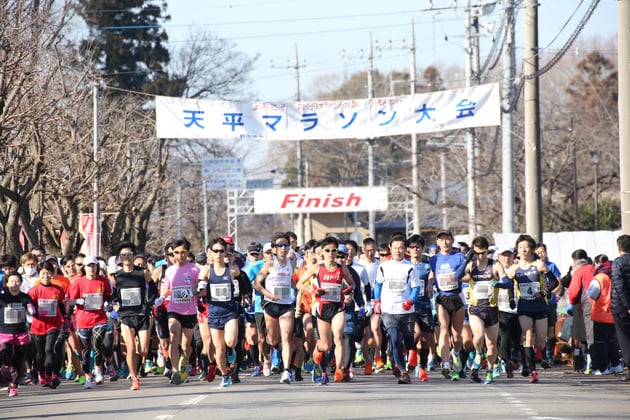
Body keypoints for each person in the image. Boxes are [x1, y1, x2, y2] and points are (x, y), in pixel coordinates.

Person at [297, 236, 355, 384]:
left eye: (333, 250)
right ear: (322, 252)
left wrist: (349, 293)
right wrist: (313, 291)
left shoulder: (342, 268)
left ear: (337, 252)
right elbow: (299, 284)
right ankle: (321, 364)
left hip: (338, 308)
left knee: (338, 337)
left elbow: (352, 284)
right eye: (327, 250)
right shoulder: (317, 268)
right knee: (325, 345)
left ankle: (339, 370)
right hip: (322, 308)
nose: (330, 253)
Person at [506, 234, 558, 383]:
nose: (523, 250)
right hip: (524, 306)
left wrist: (544, 292)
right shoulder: (513, 269)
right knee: (527, 334)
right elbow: (509, 285)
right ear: (517, 249)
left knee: (540, 341)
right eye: (521, 247)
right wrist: (511, 299)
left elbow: (554, 282)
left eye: (526, 247)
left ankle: (542, 350)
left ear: (532, 249)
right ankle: (533, 372)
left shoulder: (539, 265)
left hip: (540, 306)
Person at [373, 234, 419, 384]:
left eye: (400, 248)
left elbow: (416, 288)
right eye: (395, 248)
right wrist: (377, 301)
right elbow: (378, 285)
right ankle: (403, 372)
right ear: (390, 249)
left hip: (406, 311)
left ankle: (412, 353)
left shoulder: (410, 267)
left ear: (405, 249)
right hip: (389, 310)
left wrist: (410, 301)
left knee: (408, 340)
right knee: (394, 339)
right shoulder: (383, 267)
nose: (398, 251)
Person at [462, 236, 510, 384]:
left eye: (483, 253)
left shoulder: (495, 265)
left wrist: (499, 284)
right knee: (478, 335)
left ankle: (489, 371)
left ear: (487, 252)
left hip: (491, 310)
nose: (480, 256)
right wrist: (466, 260)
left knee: (491, 344)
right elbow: (459, 277)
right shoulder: (471, 265)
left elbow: (507, 281)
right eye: (477, 253)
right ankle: (477, 353)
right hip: (476, 309)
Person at [254, 232, 297, 385]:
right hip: (270, 304)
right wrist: (268, 295)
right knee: (273, 339)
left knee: (287, 337)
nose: (284, 248)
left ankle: (286, 371)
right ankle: (274, 351)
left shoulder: (292, 262)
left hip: (286, 305)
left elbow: (292, 282)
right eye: (280, 245)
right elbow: (256, 284)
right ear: (274, 249)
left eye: (286, 245)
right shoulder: (270, 264)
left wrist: (301, 289)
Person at [111, 241, 155, 391]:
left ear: (134, 256)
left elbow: (154, 289)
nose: (127, 257)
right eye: (123, 255)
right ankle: (134, 378)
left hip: (141, 314)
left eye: (129, 254)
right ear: (119, 257)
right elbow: (112, 296)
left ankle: (139, 363)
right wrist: (115, 304)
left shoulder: (142, 273)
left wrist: (149, 303)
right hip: (125, 315)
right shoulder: (116, 276)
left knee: (142, 350)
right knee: (130, 347)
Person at [157, 238, 201, 385]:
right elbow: (166, 288)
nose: (180, 255)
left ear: (187, 252)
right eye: (176, 252)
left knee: (186, 345)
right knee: (174, 335)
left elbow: (202, 289)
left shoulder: (195, 270)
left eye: (183, 252)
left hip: (189, 311)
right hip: (173, 309)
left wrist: (193, 292)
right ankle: (175, 370)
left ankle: (185, 363)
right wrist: (161, 297)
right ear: (172, 254)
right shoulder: (169, 271)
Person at [66, 255, 114, 388]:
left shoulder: (103, 281)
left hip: (99, 318)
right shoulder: (78, 283)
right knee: (85, 351)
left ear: (96, 266)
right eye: (88, 266)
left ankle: (98, 368)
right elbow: (69, 300)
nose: (91, 268)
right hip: (83, 320)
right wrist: (77, 301)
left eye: (93, 265)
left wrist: (109, 304)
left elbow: (109, 296)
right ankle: (87, 376)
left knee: (98, 342)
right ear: (84, 268)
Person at [429, 229, 468, 381]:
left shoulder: (460, 257)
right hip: (442, 298)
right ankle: (445, 364)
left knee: (457, 336)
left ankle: (456, 353)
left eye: (447, 239)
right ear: (437, 242)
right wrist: (430, 284)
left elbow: (468, 276)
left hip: (456, 297)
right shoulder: (434, 259)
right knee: (443, 329)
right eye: (441, 239)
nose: (444, 242)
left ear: (452, 241)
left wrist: (456, 278)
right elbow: (432, 274)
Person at [28, 261, 67, 389]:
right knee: (40, 354)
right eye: (43, 273)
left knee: (49, 349)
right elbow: (30, 306)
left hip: (53, 325)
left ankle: (49, 376)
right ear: (39, 274)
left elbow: (61, 305)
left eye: (48, 273)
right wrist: (34, 312)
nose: (46, 276)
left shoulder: (58, 289)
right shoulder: (34, 290)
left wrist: (66, 317)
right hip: (38, 326)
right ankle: (42, 373)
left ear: (52, 273)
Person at [0, 272, 36, 396]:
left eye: (17, 281)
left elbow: (32, 308)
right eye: (12, 281)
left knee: (19, 362)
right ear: (7, 283)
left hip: (21, 333)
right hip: (5, 333)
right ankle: (5, 366)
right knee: (7, 354)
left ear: (21, 282)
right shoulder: (2, 297)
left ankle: (13, 386)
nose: (15, 283)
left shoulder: (24, 297)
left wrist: (33, 310)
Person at [587, 254, 622, 375]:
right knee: (612, 341)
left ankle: (603, 368)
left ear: (597, 263)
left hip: (601, 314)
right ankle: (616, 364)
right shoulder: (615, 273)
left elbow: (593, 294)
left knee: (600, 342)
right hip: (614, 313)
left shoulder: (600, 277)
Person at [406, 234, 433, 382]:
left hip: (425, 306)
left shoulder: (427, 265)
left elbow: (432, 276)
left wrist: (430, 283)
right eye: (412, 247)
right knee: (415, 334)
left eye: (418, 247)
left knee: (425, 341)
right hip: (409, 307)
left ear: (422, 248)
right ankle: (411, 355)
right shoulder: (404, 265)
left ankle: (422, 367)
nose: (415, 250)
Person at [495, 246, 521, 379]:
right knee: (504, 337)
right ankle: (506, 362)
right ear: (498, 257)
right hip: (501, 308)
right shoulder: (495, 270)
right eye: (503, 255)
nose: (506, 258)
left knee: (517, 339)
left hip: (517, 309)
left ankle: (515, 359)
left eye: (509, 255)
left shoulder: (518, 269)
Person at [358, 237, 382, 374]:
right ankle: (368, 360)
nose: (370, 253)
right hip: (363, 302)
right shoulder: (359, 265)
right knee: (365, 333)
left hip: (377, 301)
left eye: (373, 250)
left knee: (376, 327)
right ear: (363, 249)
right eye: (368, 251)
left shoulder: (380, 264)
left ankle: (378, 356)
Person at [567, 249, 594, 372]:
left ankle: (588, 363)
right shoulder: (595, 268)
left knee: (584, 336)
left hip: (583, 306)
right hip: (600, 305)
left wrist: (572, 302)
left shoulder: (579, 271)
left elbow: (573, 292)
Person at [611, 234, 630, 380]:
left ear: (619, 248)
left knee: (624, 339)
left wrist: (627, 305)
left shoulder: (617, 263)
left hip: (620, 308)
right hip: (624, 306)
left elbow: (619, 286)